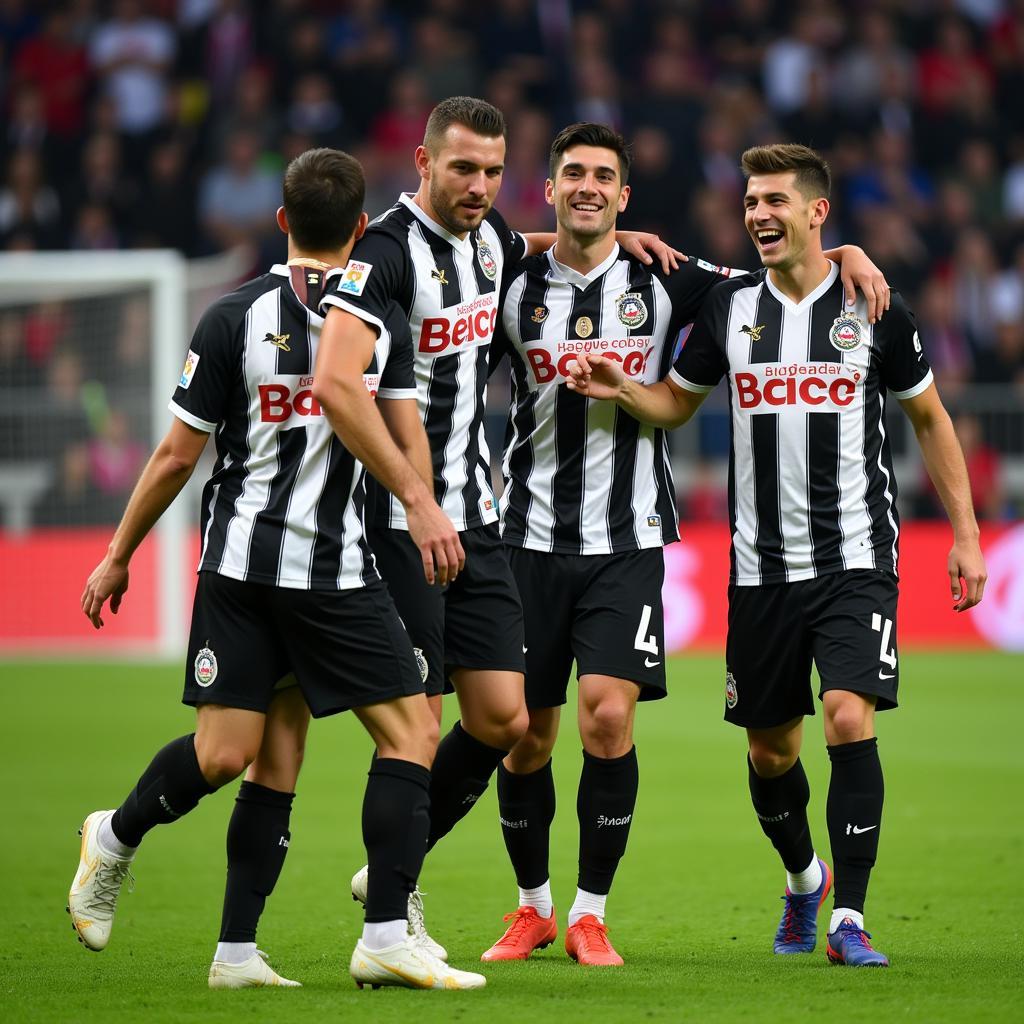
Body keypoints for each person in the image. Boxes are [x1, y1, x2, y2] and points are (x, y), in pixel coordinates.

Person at [68, 146, 486, 992]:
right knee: (408, 735)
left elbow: (174, 458)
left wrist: (119, 556)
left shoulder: (229, 316)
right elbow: (409, 438)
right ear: (363, 230)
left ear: (282, 221)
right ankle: (383, 933)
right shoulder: (378, 316)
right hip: (329, 574)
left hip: (238, 572)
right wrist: (424, 509)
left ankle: (201, 922)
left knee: (241, 754)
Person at [567, 142, 987, 967]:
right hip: (759, 569)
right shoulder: (728, 309)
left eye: (775, 201)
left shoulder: (872, 305)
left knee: (845, 714)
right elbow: (677, 406)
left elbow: (932, 418)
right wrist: (624, 387)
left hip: (857, 557)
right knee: (770, 751)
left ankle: (850, 919)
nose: (758, 213)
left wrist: (967, 533)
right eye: (751, 200)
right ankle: (804, 881)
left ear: (816, 211)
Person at [481, 124, 890, 967]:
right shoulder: (508, 279)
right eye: (572, 176)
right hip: (521, 537)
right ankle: (533, 908)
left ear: (625, 196)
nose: (588, 187)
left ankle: (591, 912)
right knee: (525, 733)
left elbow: (779, 278)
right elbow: (443, 280)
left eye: (604, 178)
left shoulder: (670, 277)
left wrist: (844, 246)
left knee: (605, 717)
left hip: (627, 538)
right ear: (549, 188)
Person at [312, 96, 685, 955]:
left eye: (490, 171)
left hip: (480, 520)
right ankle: (391, 911)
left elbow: (547, 247)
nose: (479, 185)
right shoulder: (387, 252)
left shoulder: (493, 247)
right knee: (414, 727)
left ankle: (434, 881)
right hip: (408, 520)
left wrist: (614, 240)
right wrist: (414, 495)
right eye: (463, 169)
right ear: (423, 161)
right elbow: (337, 382)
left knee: (505, 719)